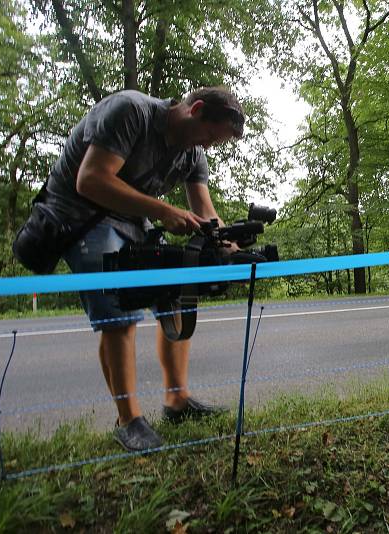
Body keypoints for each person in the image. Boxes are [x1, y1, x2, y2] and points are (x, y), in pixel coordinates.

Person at [44, 86, 245, 451]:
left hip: (132, 218)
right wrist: (164, 211)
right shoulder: (131, 111)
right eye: (209, 136)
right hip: (78, 215)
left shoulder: (192, 152)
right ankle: (129, 420)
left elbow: (204, 209)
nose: (208, 146)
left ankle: (177, 400)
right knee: (120, 312)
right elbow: (89, 179)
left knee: (175, 295)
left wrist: (229, 243)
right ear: (195, 110)